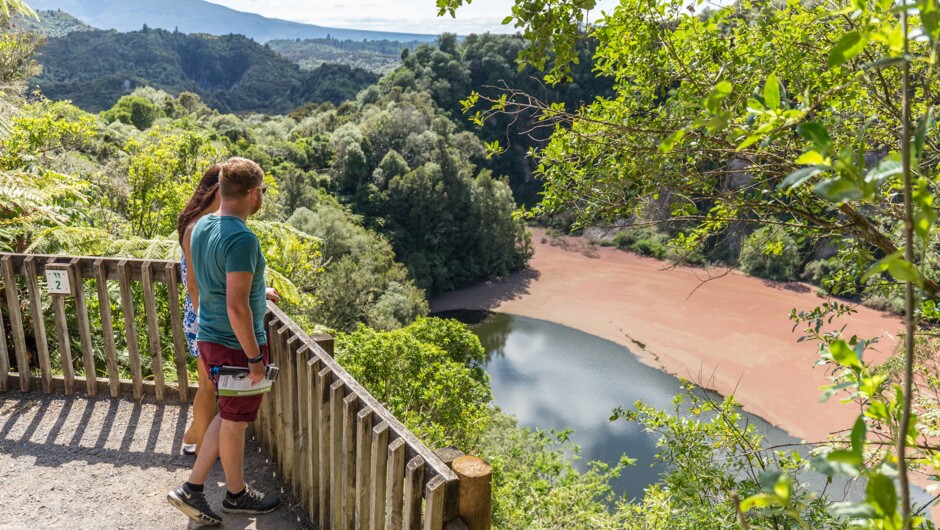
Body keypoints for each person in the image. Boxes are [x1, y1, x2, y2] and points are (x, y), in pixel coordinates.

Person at [167, 157, 281, 525]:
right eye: (261, 191)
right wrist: (253, 358)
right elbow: (236, 306)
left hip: (208, 337)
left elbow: (208, 287)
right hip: (236, 345)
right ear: (252, 193)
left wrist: (261, 293)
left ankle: (221, 491)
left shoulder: (201, 228)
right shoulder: (242, 238)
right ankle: (212, 492)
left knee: (228, 414)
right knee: (235, 422)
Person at [177, 164, 222, 456]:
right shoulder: (197, 226)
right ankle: (203, 445)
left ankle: (194, 437)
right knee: (207, 385)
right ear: (219, 189)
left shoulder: (208, 221)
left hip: (203, 314)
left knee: (210, 384)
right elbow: (194, 284)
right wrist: (208, 321)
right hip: (202, 316)